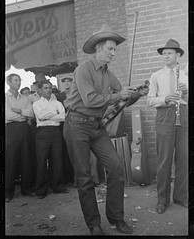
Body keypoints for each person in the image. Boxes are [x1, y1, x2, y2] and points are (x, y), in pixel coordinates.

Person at [63, 24, 149, 235]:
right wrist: (119, 96)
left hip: (97, 126)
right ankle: (94, 225)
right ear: (99, 48)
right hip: (76, 125)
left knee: (116, 168)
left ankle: (116, 218)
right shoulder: (83, 69)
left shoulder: (108, 75)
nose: (113, 53)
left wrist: (137, 93)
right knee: (85, 177)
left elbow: (122, 100)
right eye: (110, 49)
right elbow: (91, 100)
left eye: (115, 49)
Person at [147, 39, 188, 214]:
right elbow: (149, 100)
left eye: (169, 53)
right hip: (164, 116)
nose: (166, 56)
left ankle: (181, 197)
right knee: (164, 160)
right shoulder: (156, 76)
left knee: (184, 160)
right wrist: (165, 98)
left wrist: (186, 91)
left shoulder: (186, 74)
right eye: (164, 53)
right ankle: (162, 200)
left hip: (183, 115)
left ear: (178, 55)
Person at [32, 80, 69, 199]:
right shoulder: (36, 104)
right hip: (42, 133)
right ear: (40, 90)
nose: (48, 90)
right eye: (45, 88)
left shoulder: (57, 103)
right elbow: (41, 117)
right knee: (42, 161)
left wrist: (49, 115)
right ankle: (41, 190)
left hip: (56, 132)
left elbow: (63, 117)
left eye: (49, 88)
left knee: (57, 159)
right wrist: (55, 115)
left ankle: (58, 186)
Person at [5, 74, 34, 202]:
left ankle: (26, 189)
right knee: (10, 160)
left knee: (26, 158)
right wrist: (23, 116)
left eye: (19, 80)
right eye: (16, 80)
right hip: (10, 130)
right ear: (9, 82)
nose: (18, 83)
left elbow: (31, 113)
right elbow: (8, 115)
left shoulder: (25, 97)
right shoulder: (5, 97)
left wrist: (20, 111)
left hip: (24, 130)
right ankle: (8, 192)